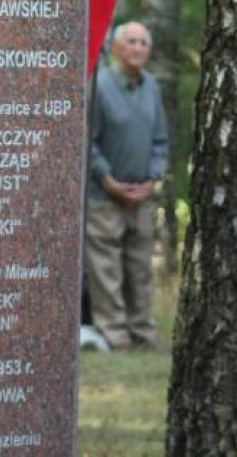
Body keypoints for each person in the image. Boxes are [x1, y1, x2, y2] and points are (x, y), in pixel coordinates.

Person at [85, 21, 168, 350]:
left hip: (142, 195)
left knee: (140, 267)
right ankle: (116, 333)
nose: (137, 48)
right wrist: (108, 179)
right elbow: (88, 142)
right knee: (107, 269)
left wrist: (153, 178)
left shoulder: (152, 87)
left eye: (143, 42)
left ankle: (142, 330)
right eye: (130, 41)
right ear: (117, 48)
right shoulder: (99, 85)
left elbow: (160, 139)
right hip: (104, 194)